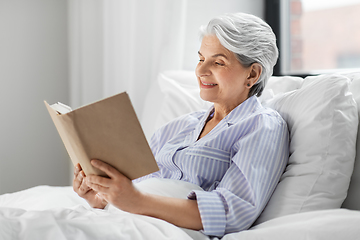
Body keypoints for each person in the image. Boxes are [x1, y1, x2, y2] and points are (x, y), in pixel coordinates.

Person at [73, 12, 289, 237]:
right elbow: (133, 192)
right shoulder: (177, 127)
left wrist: (135, 201)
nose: (201, 71)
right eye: (200, 59)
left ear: (252, 74)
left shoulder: (262, 126)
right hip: (126, 221)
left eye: (218, 62)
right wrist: (101, 198)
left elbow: (233, 213)